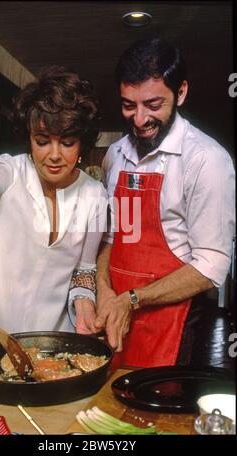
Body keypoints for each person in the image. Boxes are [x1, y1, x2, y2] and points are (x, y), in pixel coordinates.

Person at [0, 65, 107, 350]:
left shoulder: (96, 196)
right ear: (29, 138)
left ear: (82, 144)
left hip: (53, 346)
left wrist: (85, 305)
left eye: (67, 143)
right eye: (42, 142)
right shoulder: (9, 173)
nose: (54, 155)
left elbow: (84, 272)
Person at [95, 38, 235, 368]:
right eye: (129, 105)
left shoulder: (206, 160)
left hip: (173, 326)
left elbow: (211, 264)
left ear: (181, 93)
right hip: (114, 320)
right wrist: (103, 290)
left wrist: (132, 300)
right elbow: (118, 237)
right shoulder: (116, 156)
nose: (140, 119)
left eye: (153, 105)